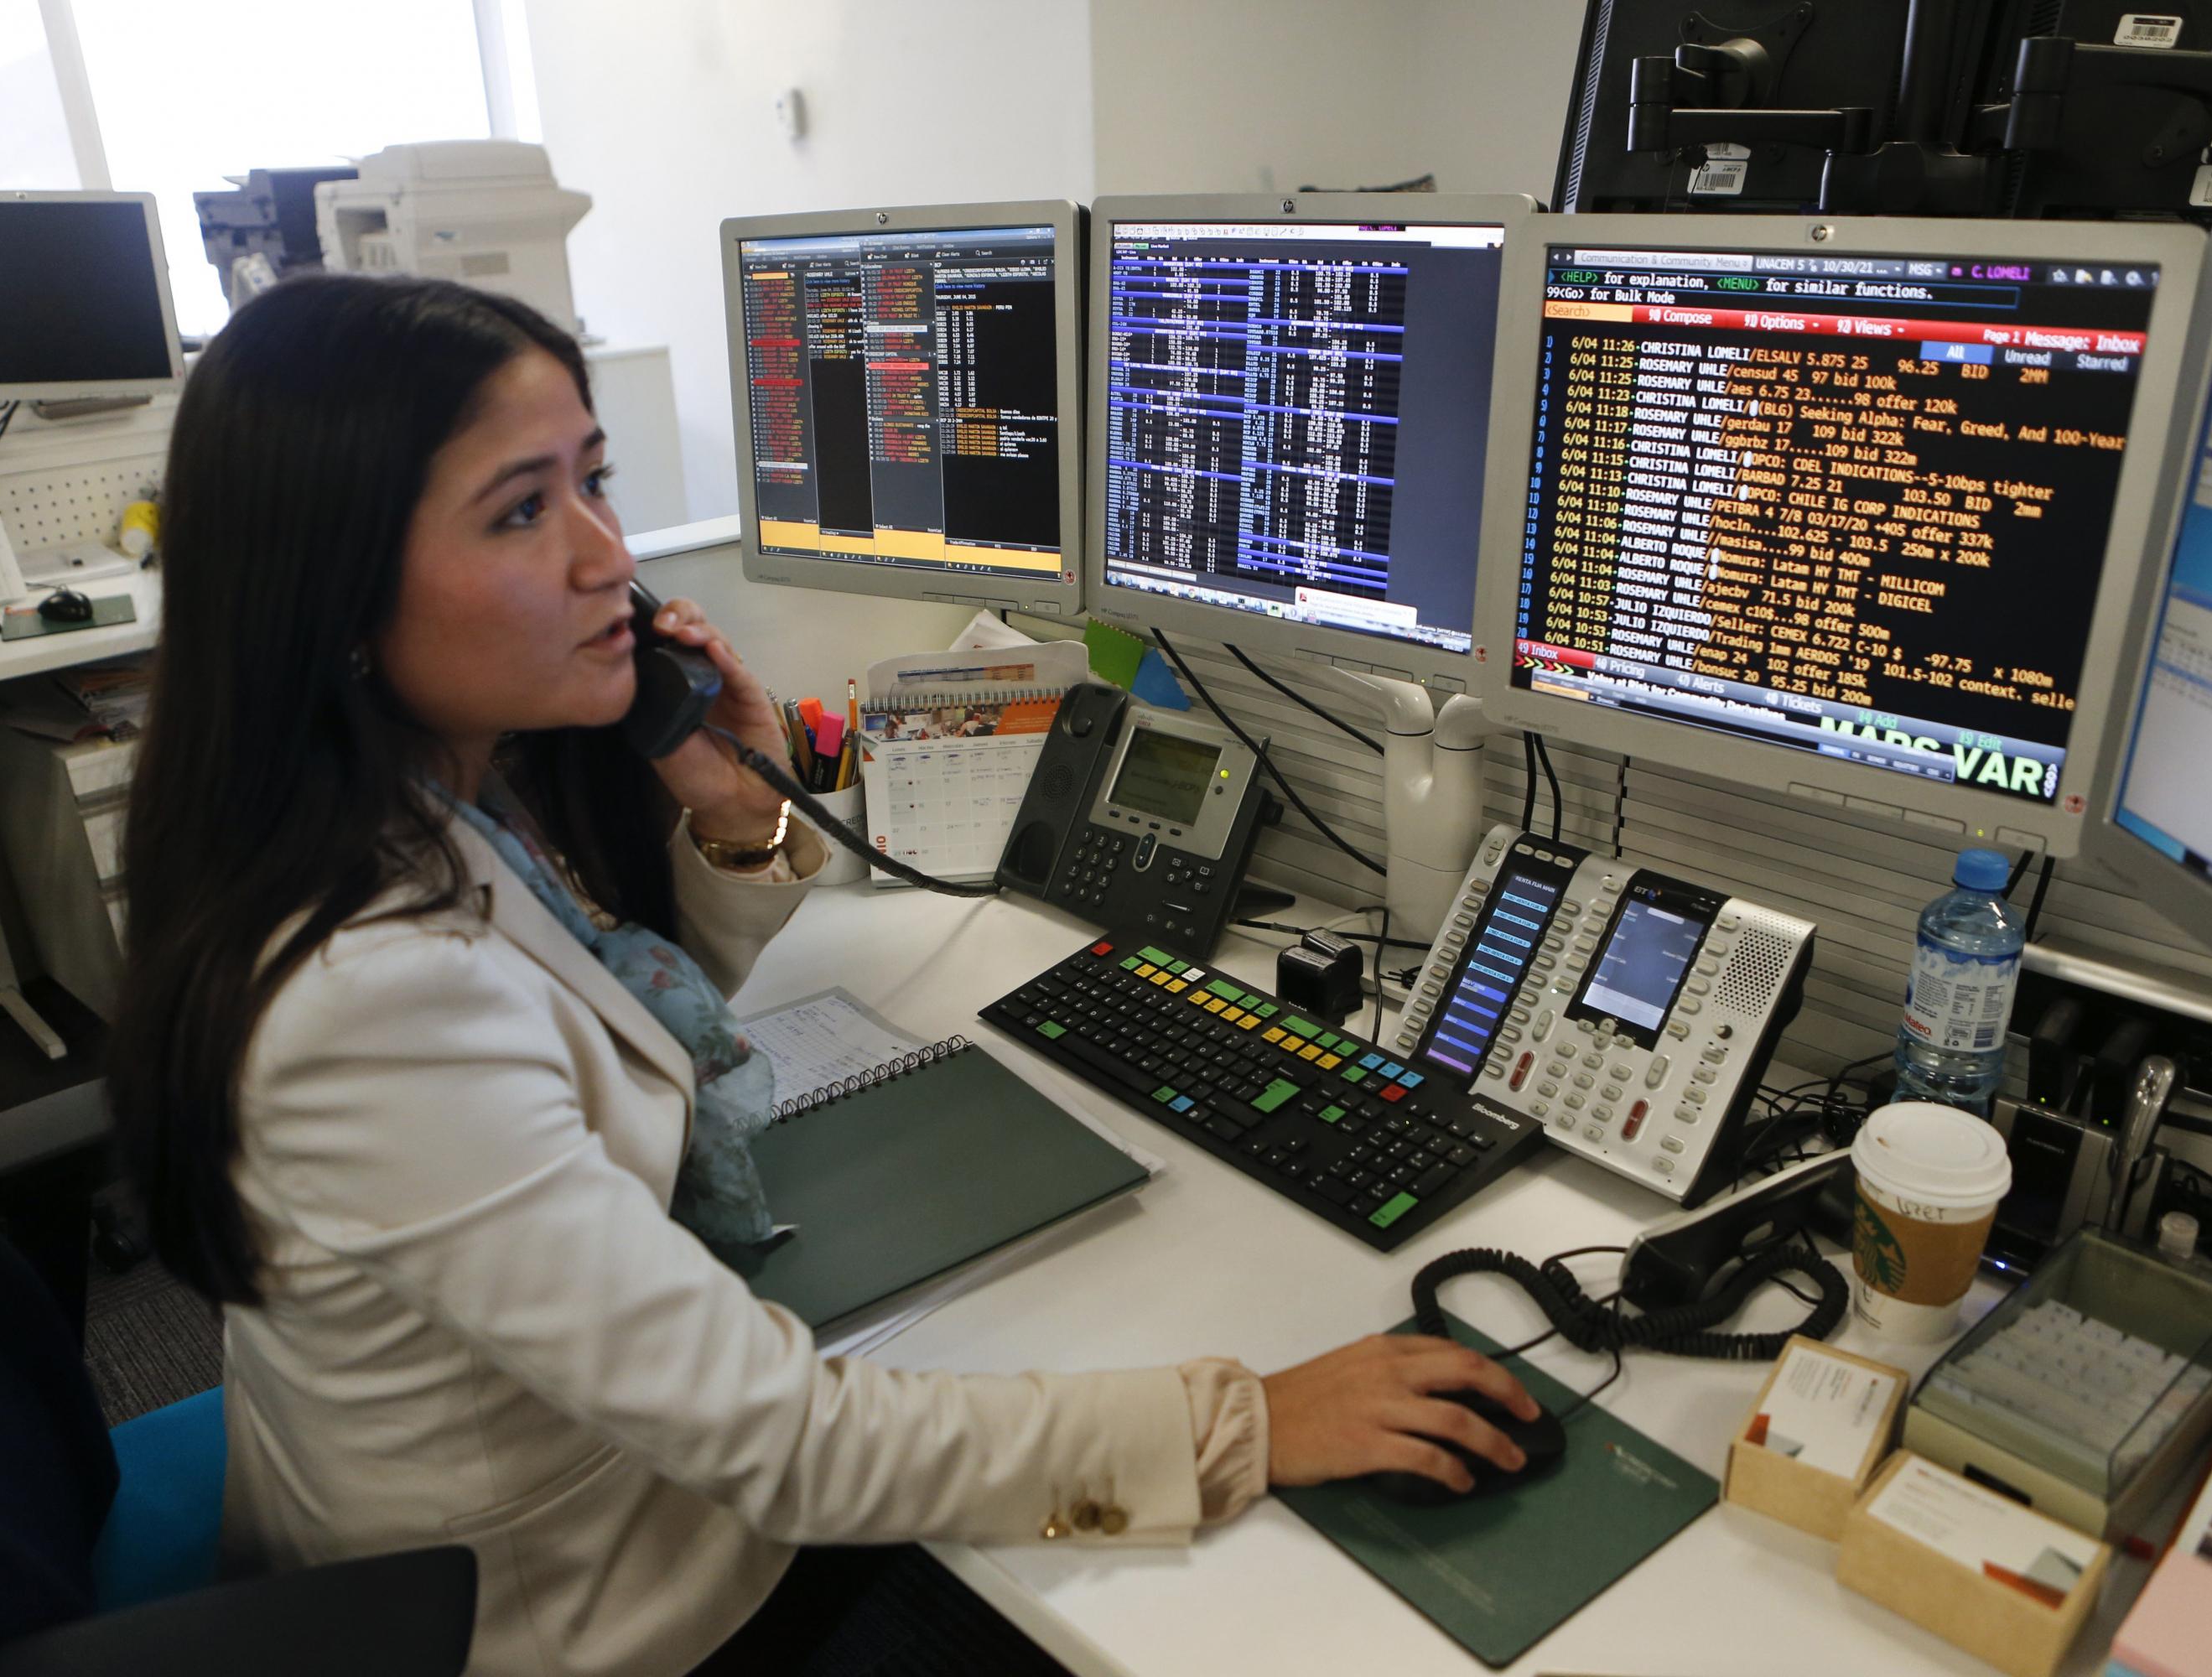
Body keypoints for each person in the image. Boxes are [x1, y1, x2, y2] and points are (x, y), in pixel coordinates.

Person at [106, 274, 1540, 1677]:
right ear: (335, 593)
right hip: (578, 1611)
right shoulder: (374, 1002)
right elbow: (785, 1448)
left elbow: (611, 1015)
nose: (609, 555)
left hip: (495, 1496)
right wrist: (1247, 1423)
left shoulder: (412, 815)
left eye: (593, 481)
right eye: (524, 510)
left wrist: (730, 801)